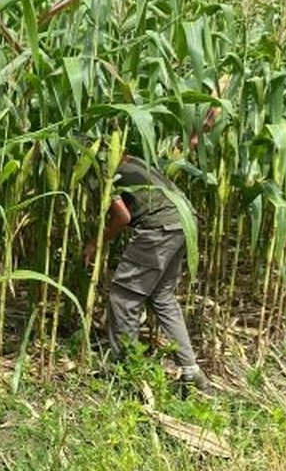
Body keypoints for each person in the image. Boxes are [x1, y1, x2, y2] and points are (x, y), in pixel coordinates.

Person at [84, 154, 210, 392]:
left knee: (124, 296)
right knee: (163, 297)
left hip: (161, 228)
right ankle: (191, 370)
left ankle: (125, 371)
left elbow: (122, 216)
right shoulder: (127, 158)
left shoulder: (100, 170)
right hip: (185, 220)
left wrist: (96, 242)